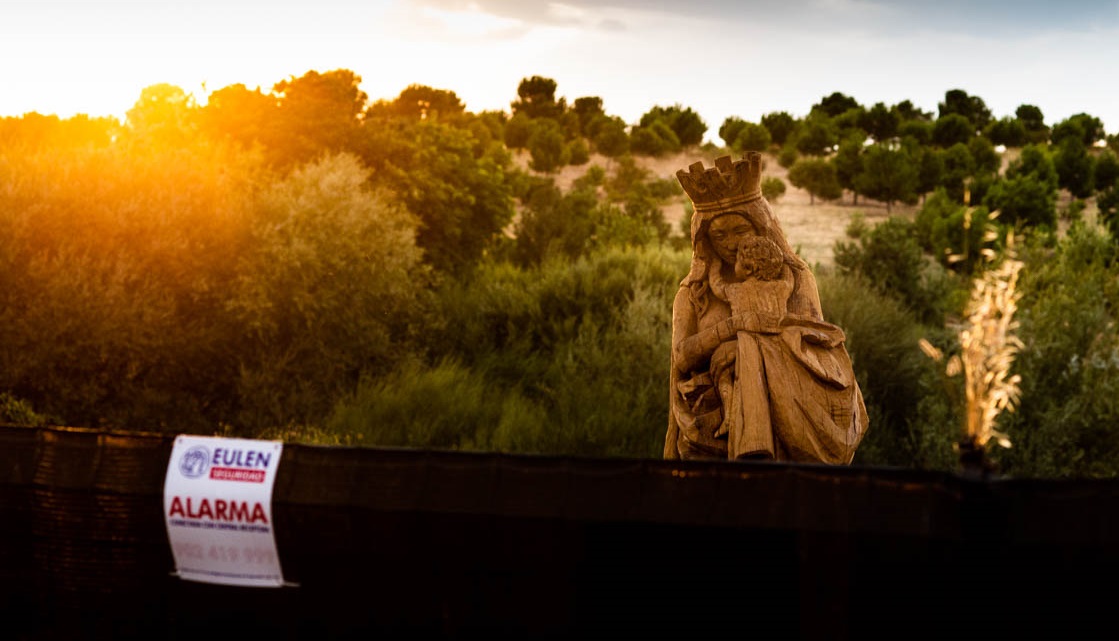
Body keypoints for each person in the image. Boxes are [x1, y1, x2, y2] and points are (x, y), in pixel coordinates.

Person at [664, 153, 868, 463]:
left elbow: (817, 349)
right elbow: (681, 358)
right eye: (719, 235)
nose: (731, 244)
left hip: (788, 420)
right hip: (707, 434)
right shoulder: (694, 292)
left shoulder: (796, 278)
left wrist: (752, 348)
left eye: (740, 231)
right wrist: (732, 330)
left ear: (761, 228)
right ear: (704, 237)